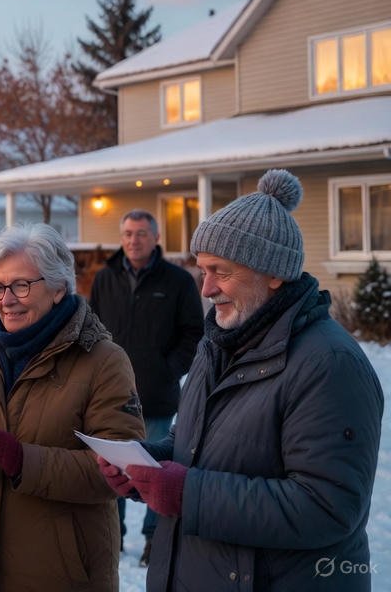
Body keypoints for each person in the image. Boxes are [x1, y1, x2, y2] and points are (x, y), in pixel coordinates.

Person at [98, 170, 383, 591]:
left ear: (273, 274)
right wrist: (145, 463)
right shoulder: (221, 342)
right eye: (202, 270)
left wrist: (186, 493)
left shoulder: (329, 363)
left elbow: (328, 506)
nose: (207, 288)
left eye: (221, 271)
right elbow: (190, 442)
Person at [0, 223, 145, 591]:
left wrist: (23, 460)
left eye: (21, 285)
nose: (6, 299)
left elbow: (120, 470)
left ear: (59, 288)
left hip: (61, 575)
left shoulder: (102, 361)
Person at [89, 209, 202, 565]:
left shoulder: (178, 281)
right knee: (114, 468)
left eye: (140, 233)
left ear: (155, 238)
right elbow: (91, 328)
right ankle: (114, 534)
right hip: (112, 396)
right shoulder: (105, 278)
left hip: (157, 394)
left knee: (154, 469)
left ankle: (155, 537)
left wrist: (168, 370)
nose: (133, 240)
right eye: (127, 234)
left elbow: (193, 333)